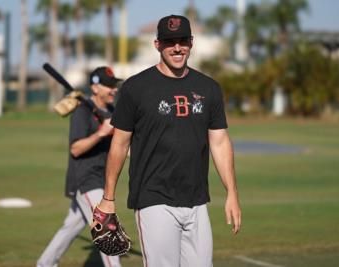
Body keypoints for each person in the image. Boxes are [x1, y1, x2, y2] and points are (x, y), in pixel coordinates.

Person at [97, 14, 242, 267]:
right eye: (169, 41)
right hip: (154, 199)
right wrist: (108, 199)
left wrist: (232, 193)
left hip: (197, 200)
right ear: (157, 45)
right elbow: (119, 145)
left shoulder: (209, 88)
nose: (177, 47)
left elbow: (219, 142)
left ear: (192, 42)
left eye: (182, 40)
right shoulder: (135, 88)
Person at [37, 66, 123, 267]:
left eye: (114, 85)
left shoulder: (111, 111)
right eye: (109, 86)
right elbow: (75, 149)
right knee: (106, 227)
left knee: (71, 226)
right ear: (95, 88)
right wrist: (101, 133)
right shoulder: (82, 111)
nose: (114, 89)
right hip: (86, 179)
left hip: (103, 179)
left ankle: (44, 263)